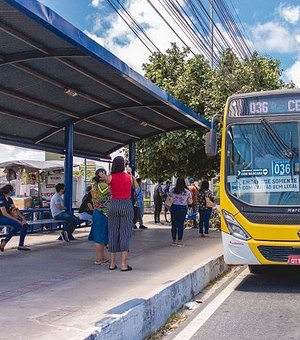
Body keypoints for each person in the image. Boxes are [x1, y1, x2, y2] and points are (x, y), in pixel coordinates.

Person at [99, 156, 137, 271]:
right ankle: (124, 264)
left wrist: (106, 176)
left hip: (114, 204)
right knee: (125, 233)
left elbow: (107, 185)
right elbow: (137, 187)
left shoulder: (110, 177)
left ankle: (112, 264)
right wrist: (130, 174)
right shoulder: (129, 177)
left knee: (113, 233)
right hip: (126, 204)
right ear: (124, 165)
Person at [88, 168, 111, 265]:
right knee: (100, 236)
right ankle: (98, 258)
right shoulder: (102, 185)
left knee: (100, 236)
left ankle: (102, 257)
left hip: (98, 212)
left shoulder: (94, 186)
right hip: (103, 213)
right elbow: (112, 189)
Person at [0, 184, 31, 252]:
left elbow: (14, 209)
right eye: (12, 190)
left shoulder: (9, 199)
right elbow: (4, 213)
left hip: (8, 216)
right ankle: (4, 242)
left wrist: (22, 218)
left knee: (25, 225)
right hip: (2, 217)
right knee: (18, 225)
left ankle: (21, 245)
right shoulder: (1, 199)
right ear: (9, 191)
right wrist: (17, 221)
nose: (13, 191)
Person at [168, 177, 192, 246]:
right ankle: (179, 241)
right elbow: (190, 202)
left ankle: (174, 240)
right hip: (182, 208)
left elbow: (169, 200)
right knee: (180, 224)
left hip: (174, 207)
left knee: (174, 225)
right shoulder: (187, 192)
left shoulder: (173, 190)